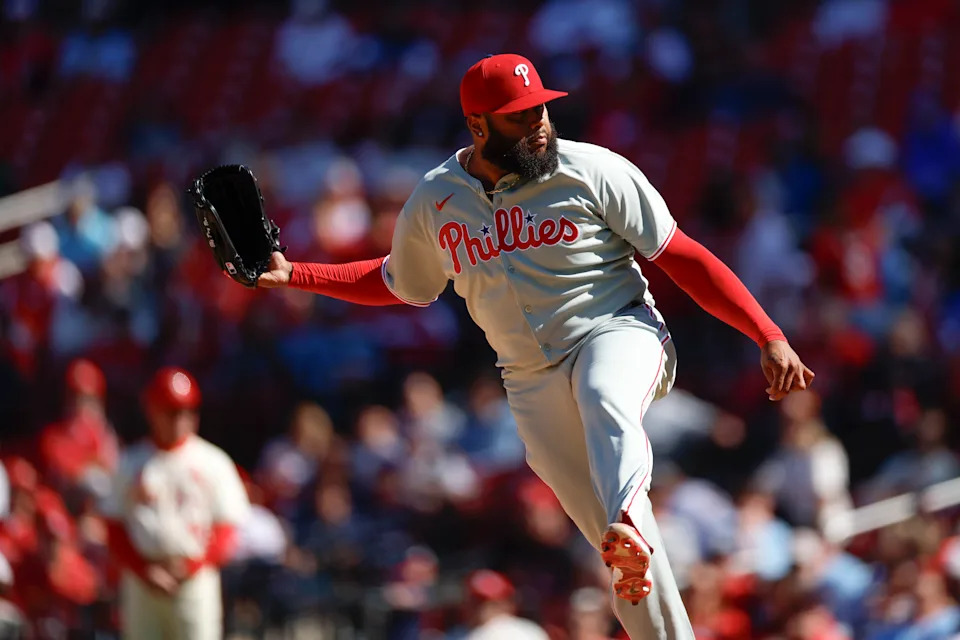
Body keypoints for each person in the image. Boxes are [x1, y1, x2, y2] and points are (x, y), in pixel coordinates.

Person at [252, 53, 815, 639]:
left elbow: (681, 256)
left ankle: (630, 518)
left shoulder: (594, 170)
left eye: (541, 107)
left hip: (618, 330)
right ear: (478, 127)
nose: (540, 121)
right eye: (521, 116)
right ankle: (639, 561)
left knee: (605, 402)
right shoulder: (437, 199)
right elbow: (398, 283)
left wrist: (767, 333)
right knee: (618, 557)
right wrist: (296, 274)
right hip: (529, 378)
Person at [101, 367, 250, 640]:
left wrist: (193, 565)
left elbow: (227, 528)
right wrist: (143, 569)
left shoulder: (212, 461)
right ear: (152, 411)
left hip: (194, 579)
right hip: (144, 579)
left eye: (188, 410)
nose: (181, 419)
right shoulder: (132, 462)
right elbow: (113, 525)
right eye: (172, 411)